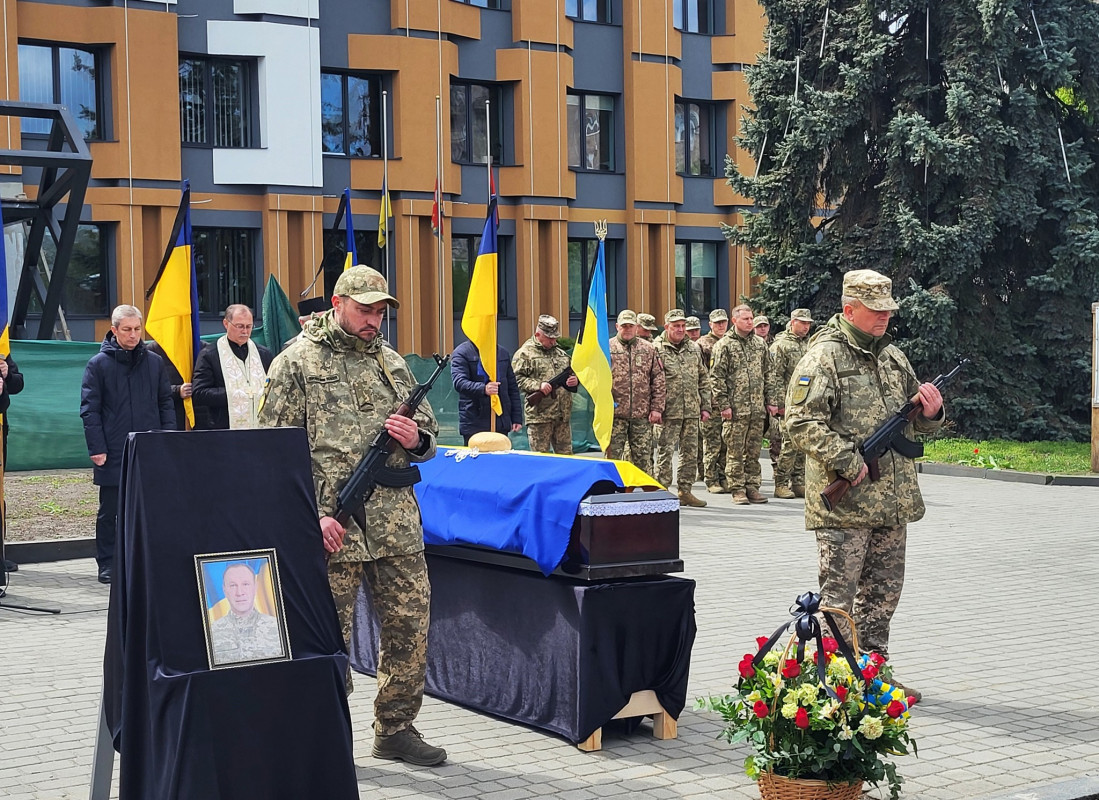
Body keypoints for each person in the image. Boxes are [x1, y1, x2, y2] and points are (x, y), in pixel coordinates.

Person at [258, 266, 445, 766]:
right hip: (331, 529)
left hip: (396, 525)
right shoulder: (296, 362)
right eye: (365, 309)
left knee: (410, 626)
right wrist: (311, 517)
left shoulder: (392, 362)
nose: (374, 319)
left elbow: (428, 434)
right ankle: (322, 735)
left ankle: (396, 728)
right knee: (326, 638)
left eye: (381, 310)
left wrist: (417, 439)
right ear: (338, 302)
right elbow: (273, 453)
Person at [785, 270, 943, 699]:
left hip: (891, 503)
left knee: (883, 597)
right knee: (839, 596)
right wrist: (846, 458)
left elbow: (918, 424)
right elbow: (799, 422)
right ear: (848, 309)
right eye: (875, 311)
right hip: (847, 504)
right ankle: (836, 677)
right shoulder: (824, 358)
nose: (884, 318)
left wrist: (932, 412)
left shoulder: (893, 357)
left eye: (888, 310)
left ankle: (874, 673)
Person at [80, 305, 175, 584]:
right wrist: (97, 448)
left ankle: (149, 557)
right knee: (111, 510)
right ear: (114, 330)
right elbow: (90, 409)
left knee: (151, 508)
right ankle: (107, 563)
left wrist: (167, 437)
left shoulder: (154, 362)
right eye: (127, 330)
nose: (134, 335)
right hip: (114, 450)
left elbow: (165, 403)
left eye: (137, 329)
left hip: (150, 448)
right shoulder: (98, 364)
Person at [710, 304, 780, 505]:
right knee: (735, 452)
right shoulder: (724, 345)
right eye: (745, 319)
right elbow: (716, 377)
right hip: (735, 410)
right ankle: (737, 489)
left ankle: (752, 487)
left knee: (754, 452)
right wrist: (724, 405)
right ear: (734, 321)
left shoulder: (759, 344)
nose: (750, 322)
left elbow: (769, 374)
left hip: (757, 410)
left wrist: (771, 401)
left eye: (751, 318)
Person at [652, 310, 711, 507]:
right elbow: (651, 381)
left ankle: (685, 491)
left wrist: (705, 406)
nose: (680, 329)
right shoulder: (656, 348)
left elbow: (703, 378)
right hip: (668, 411)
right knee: (665, 452)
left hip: (692, 410)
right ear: (666, 326)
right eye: (676, 326)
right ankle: (661, 491)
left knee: (690, 453)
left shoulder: (693, 348)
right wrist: (656, 408)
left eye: (682, 326)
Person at [193, 305, 274, 430]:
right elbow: (199, 393)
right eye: (240, 326)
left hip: (260, 429)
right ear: (226, 324)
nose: (245, 331)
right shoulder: (210, 354)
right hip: (224, 429)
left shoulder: (264, 354)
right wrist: (236, 394)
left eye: (249, 326)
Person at [607, 310, 665, 475]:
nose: (627, 329)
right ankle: (612, 493)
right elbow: (596, 378)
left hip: (641, 415)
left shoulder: (648, 349)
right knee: (613, 460)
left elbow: (658, 379)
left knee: (643, 459)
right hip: (614, 415)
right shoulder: (606, 347)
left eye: (630, 326)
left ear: (636, 327)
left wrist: (657, 408)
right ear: (617, 326)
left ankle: (644, 495)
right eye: (624, 326)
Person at [512, 315, 578, 454]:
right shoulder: (525, 354)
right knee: (541, 459)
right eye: (549, 338)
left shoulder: (561, 353)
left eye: (555, 337)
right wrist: (538, 386)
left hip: (562, 417)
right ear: (538, 334)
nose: (553, 341)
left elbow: (573, 374)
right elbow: (516, 379)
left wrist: (574, 381)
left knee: (567, 458)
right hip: (540, 417)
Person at [769, 308, 814, 498]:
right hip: (789, 403)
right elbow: (775, 376)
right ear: (793, 322)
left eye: (808, 323)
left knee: (803, 444)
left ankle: (798, 482)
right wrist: (778, 403)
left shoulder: (809, 344)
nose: (806, 326)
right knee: (788, 445)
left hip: (807, 402)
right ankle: (780, 483)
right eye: (802, 323)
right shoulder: (781, 345)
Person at [207, 562, 284, 665]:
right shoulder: (211, 633)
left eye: (245, 584)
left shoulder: (278, 628)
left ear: (255, 587)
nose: (239, 592)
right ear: (224, 590)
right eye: (233, 585)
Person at [451, 340, 523, 443]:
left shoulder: (502, 352)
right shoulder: (462, 352)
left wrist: (516, 417)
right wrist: (483, 389)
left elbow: (512, 388)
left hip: (500, 420)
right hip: (474, 421)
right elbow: (459, 382)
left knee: (499, 457)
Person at [699, 309, 729, 493]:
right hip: (711, 403)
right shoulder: (702, 344)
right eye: (717, 323)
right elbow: (701, 376)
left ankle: (724, 476)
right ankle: (711, 479)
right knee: (712, 443)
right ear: (710, 324)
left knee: (726, 444)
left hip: (728, 403)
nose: (720, 326)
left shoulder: (728, 343)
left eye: (723, 322)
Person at [0, 354, 25, 574]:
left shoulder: (2, 347)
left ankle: (1, 553)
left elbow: (18, 384)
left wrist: (7, 375)